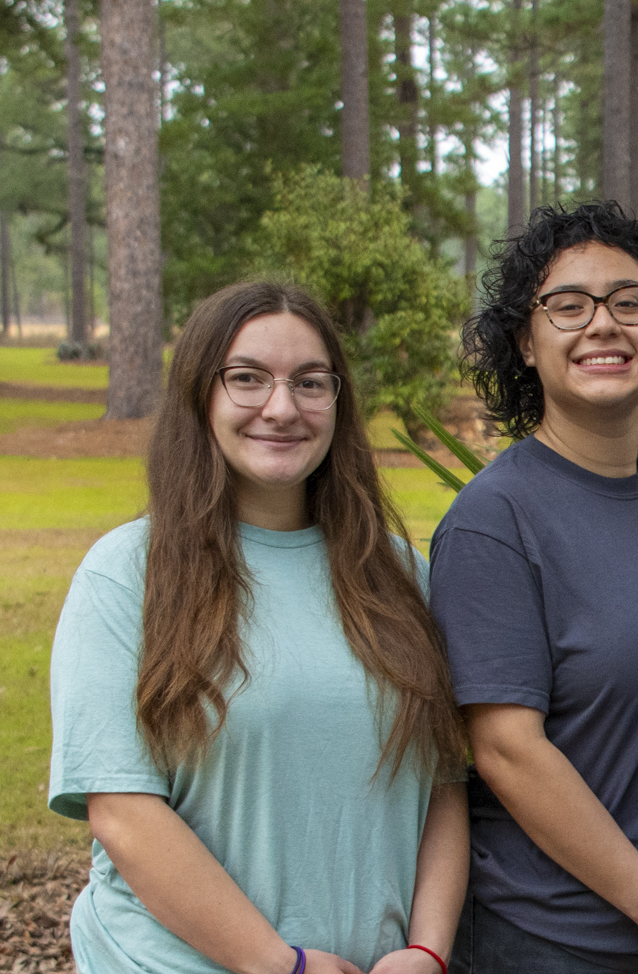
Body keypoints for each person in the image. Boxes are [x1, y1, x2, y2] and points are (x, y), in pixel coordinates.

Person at [48, 281, 468, 974]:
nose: (282, 408)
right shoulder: (127, 576)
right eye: (246, 379)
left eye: (310, 382)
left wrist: (425, 949)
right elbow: (122, 810)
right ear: (200, 396)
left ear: (337, 401)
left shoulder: (399, 576)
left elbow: (444, 782)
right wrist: (281, 964)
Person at [429, 202, 638, 974]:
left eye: (629, 302)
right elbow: (506, 749)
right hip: (560, 943)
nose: (603, 325)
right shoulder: (495, 522)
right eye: (568, 306)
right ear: (525, 340)